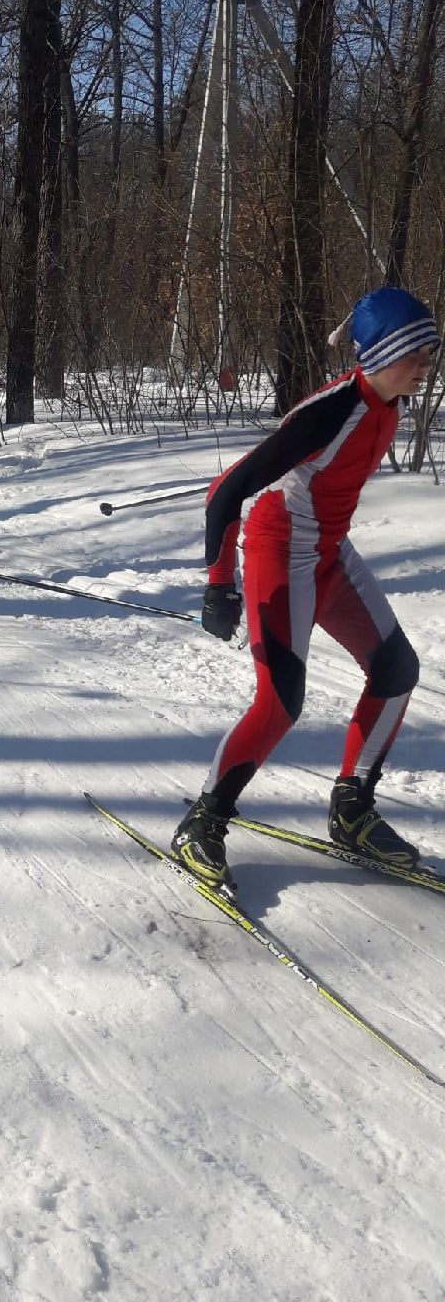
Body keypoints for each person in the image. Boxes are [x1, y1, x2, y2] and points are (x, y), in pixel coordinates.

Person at [171, 287, 441, 894]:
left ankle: (351, 810)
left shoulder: (389, 404)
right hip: (279, 550)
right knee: (280, 703)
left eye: (431, 351)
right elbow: (224, 493)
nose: (428, 364)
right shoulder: (328, 412)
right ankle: (203, 822)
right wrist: (219, 585)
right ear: (384, 351)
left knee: (396, 668)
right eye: (419, 352)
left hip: (327, 551)